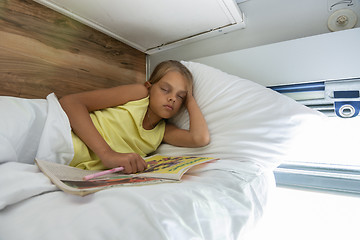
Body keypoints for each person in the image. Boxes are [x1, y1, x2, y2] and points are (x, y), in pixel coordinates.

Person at [59, 60, 210, 174]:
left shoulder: (163, 132)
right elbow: (71, 102)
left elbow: (200, 139)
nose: (172, 98)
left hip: (61, 159)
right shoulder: (140, 94)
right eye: (165, 89)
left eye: (180, 96)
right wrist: (107, 154)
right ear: (149, 87)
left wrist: (190, 99)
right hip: (57, 128)